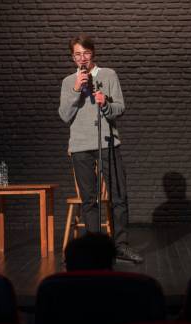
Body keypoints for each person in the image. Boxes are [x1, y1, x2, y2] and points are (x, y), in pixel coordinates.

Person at [59, 34, 143, 264]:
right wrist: (77, 90)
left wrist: (105, 103)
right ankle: (95, 248)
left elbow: (120, 108)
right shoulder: (68, 82)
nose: (82, 58)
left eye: (85, 53)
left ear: (92, 53)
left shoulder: (108, 75)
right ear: (72, 57)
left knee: (118, 196)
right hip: (80, 146)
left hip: (107, 142)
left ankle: (120, 246)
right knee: (89, 200)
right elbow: (64, 116)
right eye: (77, 54)